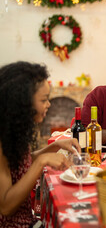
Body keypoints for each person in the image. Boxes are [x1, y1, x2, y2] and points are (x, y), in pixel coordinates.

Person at [0, 62, 80, 227]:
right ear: (21, 102)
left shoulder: (12, 129)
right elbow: (6, 207)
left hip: (27, 219)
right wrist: (42, 162)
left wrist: (55, 145)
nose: (48, 105)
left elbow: (22, 162)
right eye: (44, 100)